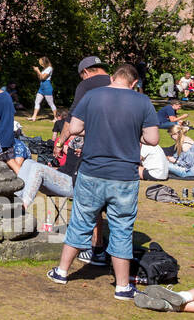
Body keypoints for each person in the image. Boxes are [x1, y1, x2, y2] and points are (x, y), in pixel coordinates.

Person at [46, 63, 159, 300]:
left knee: (80, 221)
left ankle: (62, 271)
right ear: (134, 82)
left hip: (92, 171)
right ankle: (122, 286)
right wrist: (131, 131)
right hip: (124, 176)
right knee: (122, 228)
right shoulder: (143, 102)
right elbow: (153, 138)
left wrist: (96, 129)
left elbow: (75, 127)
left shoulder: (93, 95)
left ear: (113, 78)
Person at [52, 56, 110, 163]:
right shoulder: (118, 83)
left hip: (96, 147)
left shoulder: (86, 85)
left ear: (86, 72)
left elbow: (71, 118)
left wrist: (59, 144)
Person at [29, 57, 56, 121]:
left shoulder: (50, 68)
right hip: (42, 87)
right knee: (37, 102)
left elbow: (43, 77)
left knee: (50, 103)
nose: (41, 64)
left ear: (45, 62)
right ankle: (34, 117)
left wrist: (38, 70)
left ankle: (56, 118)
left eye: (41, 63)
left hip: (47, 87)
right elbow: (40, 78)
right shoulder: (44, 69)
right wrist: (37, 72)